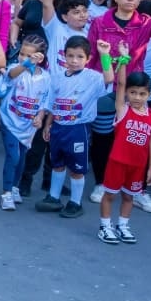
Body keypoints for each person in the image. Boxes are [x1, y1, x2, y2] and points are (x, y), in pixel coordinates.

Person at [35, 36, 115, 218]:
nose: (74, 60)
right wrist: (48, 124)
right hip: (58, 127)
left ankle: (75, 203)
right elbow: (52, 103)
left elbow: (109, 78)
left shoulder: (92, 77)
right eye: (70, 56)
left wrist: (105, 55)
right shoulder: (57, 78)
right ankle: (54, 197)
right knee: (57, 163)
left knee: (77, 169)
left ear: (88, 58)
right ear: (64, 56)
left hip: (78, 129)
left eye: (80, 56)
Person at [98, 62, 151, 245]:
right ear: (126, 93)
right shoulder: (123, 109)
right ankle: (105, 226)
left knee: (129, 196)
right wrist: (123, 63)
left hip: (138, 165)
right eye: (133, 92)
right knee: (110, 195)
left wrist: (150, 168)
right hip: (118, 162)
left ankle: (123, 225)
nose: (137, 97)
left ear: (149, 95)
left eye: (142, 93)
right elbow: (121, 83)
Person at [0, 35, 51, 210]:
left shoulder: (46, 77)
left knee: (21, 158)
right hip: (9, 119)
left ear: (41, 58)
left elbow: (45, 101)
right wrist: (27, 63)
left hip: (28, 126)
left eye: (29, 55)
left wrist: (40, 117)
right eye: (22, 53)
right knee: (13, 156)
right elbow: (10, 75)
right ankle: (6, 193)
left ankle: (14, 187)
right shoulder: (16, 68)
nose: (23, 58)